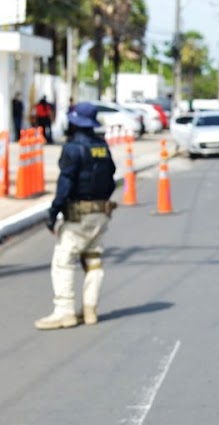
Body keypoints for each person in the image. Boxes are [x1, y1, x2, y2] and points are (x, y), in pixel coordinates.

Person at [35, 102, 117, 330]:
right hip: (102, 213)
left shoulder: (73, 148)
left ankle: (65, 312)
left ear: (74, 122)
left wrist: (53, 213)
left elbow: (65, 185)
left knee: (63, 261)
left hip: (78, 215)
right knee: (93, 260)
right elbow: (111, 178)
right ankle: (90, 310)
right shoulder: (102, 146)